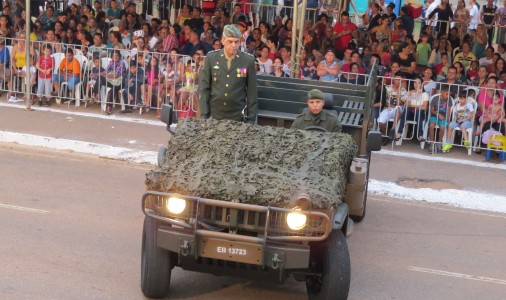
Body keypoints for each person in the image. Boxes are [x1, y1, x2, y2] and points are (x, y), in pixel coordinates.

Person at [198, 24, 257, 123]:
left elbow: (252, 92)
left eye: (236, 42)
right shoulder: (211, 58)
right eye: (230, 41)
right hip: (215, 115)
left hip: (237, 116)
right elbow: (204, 88)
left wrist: (251, 118)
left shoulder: (247, 61)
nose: (234, 45)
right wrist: (204, 114)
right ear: (223, 41)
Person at [427, 84, 453, 153]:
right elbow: (431, 110)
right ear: (441, 92)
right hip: (434, 116)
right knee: (431, 125)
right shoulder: (435, 98)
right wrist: (438, 114)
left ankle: (439, 143)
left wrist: (446, 120)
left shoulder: (449, 99)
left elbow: (448, 111)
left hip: (443, 117)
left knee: (442, 127)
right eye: (447, 94)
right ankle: (432, 143)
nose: (448, 96)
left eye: (449, 94)